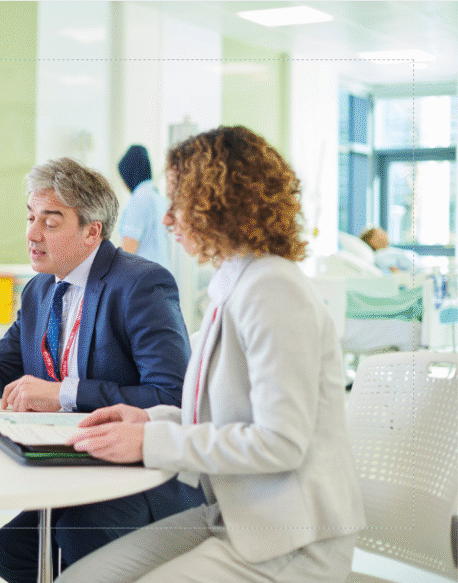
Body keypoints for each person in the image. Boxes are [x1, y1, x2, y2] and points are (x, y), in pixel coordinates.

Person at [59, 126, 365, 583]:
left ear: (220, 202)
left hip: (293, 538)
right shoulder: (236, 282)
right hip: (238, 515)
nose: (166, 219)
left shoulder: (273, 288)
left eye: (179, 201)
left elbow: (279, 441)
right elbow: (230, 419)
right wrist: (152, 421)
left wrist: (151, 443)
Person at [0, 157, 204, 583]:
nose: (32, 233)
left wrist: (65, 393)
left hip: (133, 476)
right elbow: (2, 363)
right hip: (64, 465)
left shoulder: (140, 284)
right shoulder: (39, 290)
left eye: (50, 222)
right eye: (31, 217)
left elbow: (170, 394)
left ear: (92, 231)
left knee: (75, 536)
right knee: (9, 553)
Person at [117, 145, 169, 269]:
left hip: (145, 278)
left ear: (128, 175)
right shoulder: (158, 197)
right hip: (162, 275)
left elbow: (128, 250)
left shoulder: (139, 199)